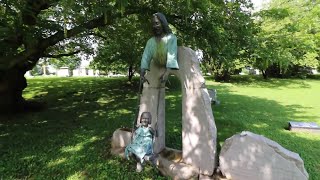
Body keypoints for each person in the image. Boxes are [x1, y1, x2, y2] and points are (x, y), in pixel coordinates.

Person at [140, 12, 179, 83]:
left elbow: (171, 56)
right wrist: (142, 74)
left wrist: (167, 73)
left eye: (157, 23)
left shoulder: (171, 38)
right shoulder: (150, 42)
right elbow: (145, 57)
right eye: (153, 24)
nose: (155, 26)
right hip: (156, 67)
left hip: (168, 67)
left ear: (163, 23)